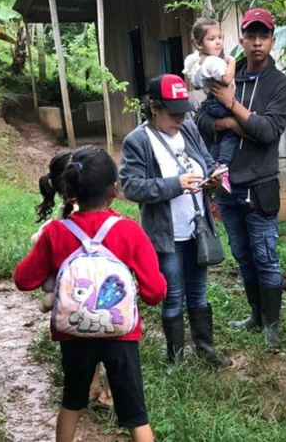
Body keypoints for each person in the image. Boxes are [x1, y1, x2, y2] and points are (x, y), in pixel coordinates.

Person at [14, 145, 166, 442]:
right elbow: (156, 292)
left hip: (74, 336)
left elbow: (23, 280)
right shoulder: (130, 231)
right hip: (121, 337)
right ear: (113, 189)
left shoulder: (55, 232)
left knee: (72, 401)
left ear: (70, 190)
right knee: (136, 416)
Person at [195, 8, 286, 350]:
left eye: (263, 36)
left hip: (260, 186)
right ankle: (255, 314)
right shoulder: (222, 72)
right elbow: (201, 122)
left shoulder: (281, 86)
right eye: (250, 36)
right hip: (226, 186)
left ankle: (272, 327)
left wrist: (229, 104)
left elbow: (267, 132)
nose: (256, 43)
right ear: (242, 39)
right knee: (242, 254)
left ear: (272, 40)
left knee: (266, 257)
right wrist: (233, 122)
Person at [120, 74, 233, 368]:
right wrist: (175, 184)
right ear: (154, 107)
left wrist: (213, 178)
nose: (180, 119)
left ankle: (205, 349)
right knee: (173, 296)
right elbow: (130, 186)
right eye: (173, 113)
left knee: (198, 293)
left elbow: (207, 162)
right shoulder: (138, 141)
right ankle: (175, 359)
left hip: (198, 229)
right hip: (166, 235)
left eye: (183, 112)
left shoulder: (190, 129)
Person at [32, 149, 113, 408]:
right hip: (102, 294)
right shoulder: (108, 218)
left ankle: (90, 385)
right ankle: (106, 389)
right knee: (110, 337)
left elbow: (30, 275)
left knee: (83, 338)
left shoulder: (59, 221)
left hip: (71, 299)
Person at [183, 17, 238, 192]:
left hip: (211, 103)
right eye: (211, 39)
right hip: (222, 102)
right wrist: (232, 62)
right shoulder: (213, 61)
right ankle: (223, 166)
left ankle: (212, 164)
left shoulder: (199, 64)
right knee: (231, 134)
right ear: (199, 44)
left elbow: (197, 84)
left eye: (220, 37)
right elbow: (227, 78)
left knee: (220, 137)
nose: (218, 42)